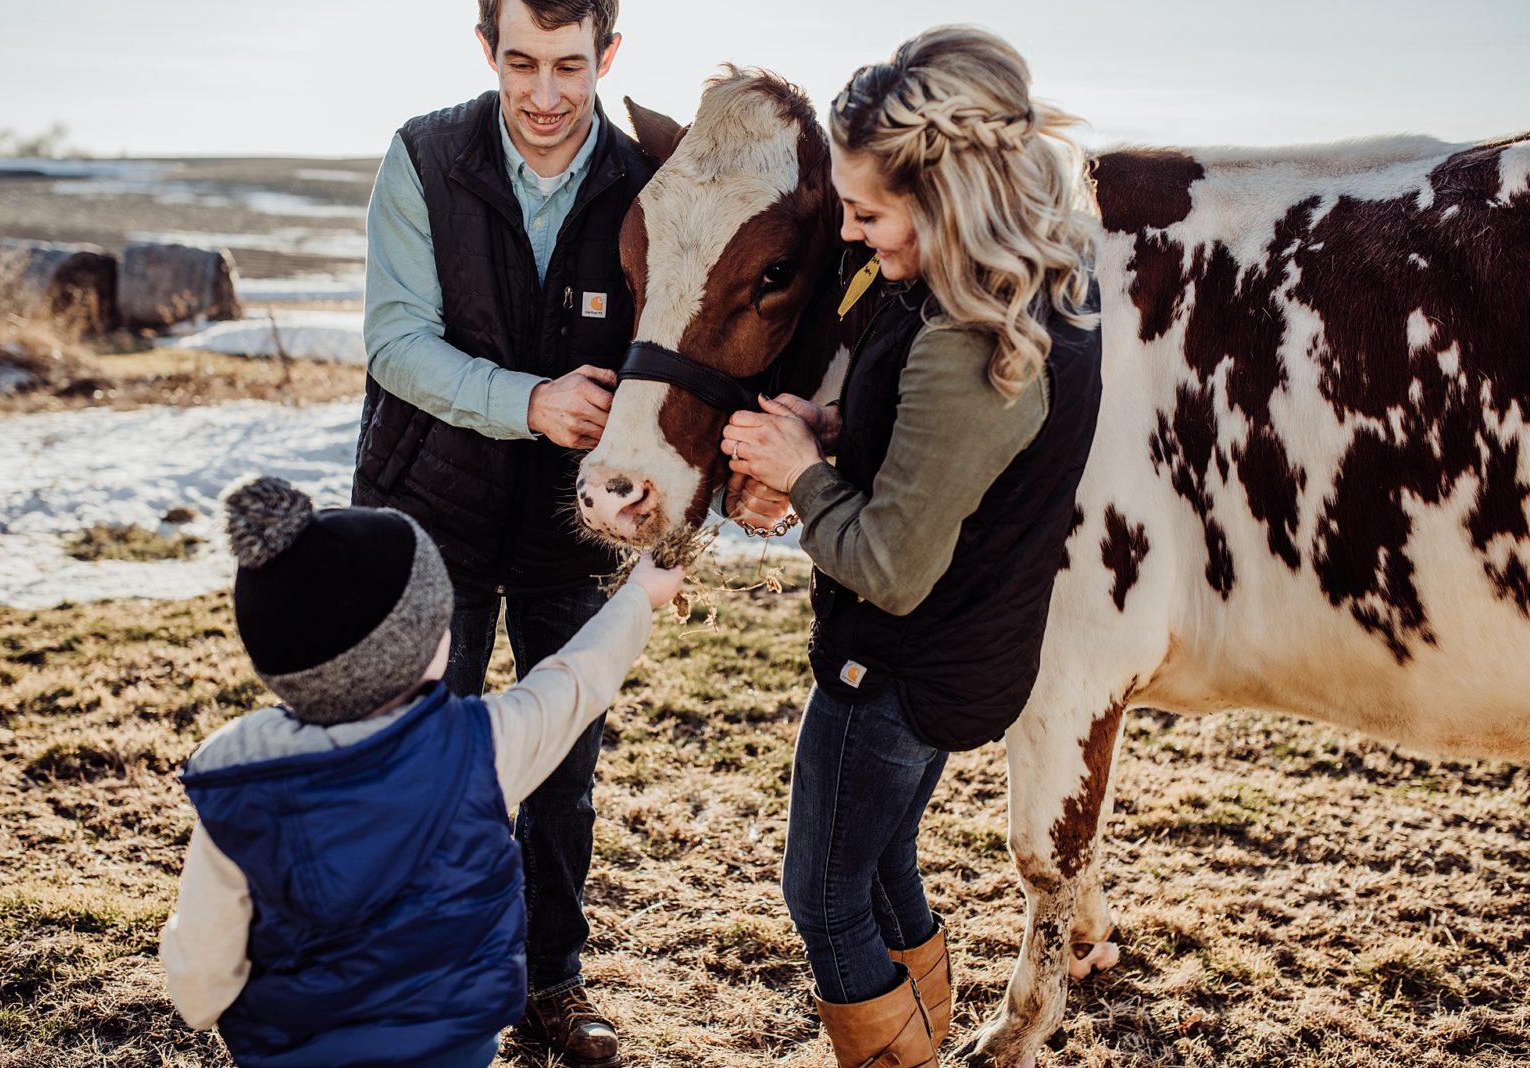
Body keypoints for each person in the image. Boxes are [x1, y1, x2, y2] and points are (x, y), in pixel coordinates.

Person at [720, 26, 1103, 1068]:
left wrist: (800, 472)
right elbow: (958, 470)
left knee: (822, 891)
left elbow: (891, 565)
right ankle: (920, 1036)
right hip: (958, 655)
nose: (854, 235)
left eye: (869, 213)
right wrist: (837, 435)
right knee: (881, 857)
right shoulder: (1028, 288)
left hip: (894, 663)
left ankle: (892, 1055)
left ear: (945, 200)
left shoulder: (967, 337)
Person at [351, 0, 656, 1060]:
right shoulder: (423, 156)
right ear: (487, 50)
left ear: (605, 55)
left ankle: (550, 987)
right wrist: (527, 400)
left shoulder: (643, 185)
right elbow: (394, 343)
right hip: (425, 516)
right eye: (519, 61)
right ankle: (416, 983)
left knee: (563, 763)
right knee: (423, 764)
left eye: (569, 66)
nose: (542, 94)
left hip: (574, 532)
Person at [159, 475, 683, 1068]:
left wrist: (207, 1002)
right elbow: (576, 681)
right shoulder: (476, 749)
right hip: (450, 1044)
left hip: (291, 1048)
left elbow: (202, 951)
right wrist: (640, 595)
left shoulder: (241, 777)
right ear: (416, 645)